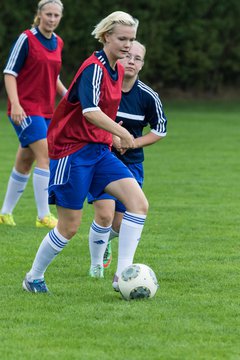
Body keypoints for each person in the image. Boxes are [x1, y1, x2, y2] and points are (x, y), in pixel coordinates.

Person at [22, 10, 148, 294]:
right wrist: (122, 132)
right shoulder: (95, 67)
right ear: (106, 37)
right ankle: (33, 277)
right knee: (68, 227)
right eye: (122, 39)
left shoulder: (116, 69)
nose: (128, 45)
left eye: (132, 39)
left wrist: (110, 137)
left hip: (99, 151)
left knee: (138, 204)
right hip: (72, 152)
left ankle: (122, 275)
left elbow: (101, 113)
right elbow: (91, 111)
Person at [88, 40, 167, 274]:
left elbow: (159, 130)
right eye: (128, 56)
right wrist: (111, 137)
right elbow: (88, 116)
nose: (131, 61)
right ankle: (96, 267)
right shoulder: (102, 86)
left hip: (131, 163)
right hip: (101, 157)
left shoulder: (147, 96)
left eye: (138, 58)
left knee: (120, 223)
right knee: (104, 214)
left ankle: (107, 243)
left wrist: (132, 143)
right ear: (118, 57)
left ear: (142, 65)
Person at [0, 0, 67, 228]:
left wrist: (68, 96)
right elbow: (10, 72)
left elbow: (54, 76)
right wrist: (15, 104)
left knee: (25, 161)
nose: (52, 19)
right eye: (48, 14)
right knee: (46, 156)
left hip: (46, 110)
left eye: (56, 15)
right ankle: (43, 215)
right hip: (26, 109)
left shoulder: (58, 42)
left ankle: (4, 213)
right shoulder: (26, 39)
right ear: (39, 14)